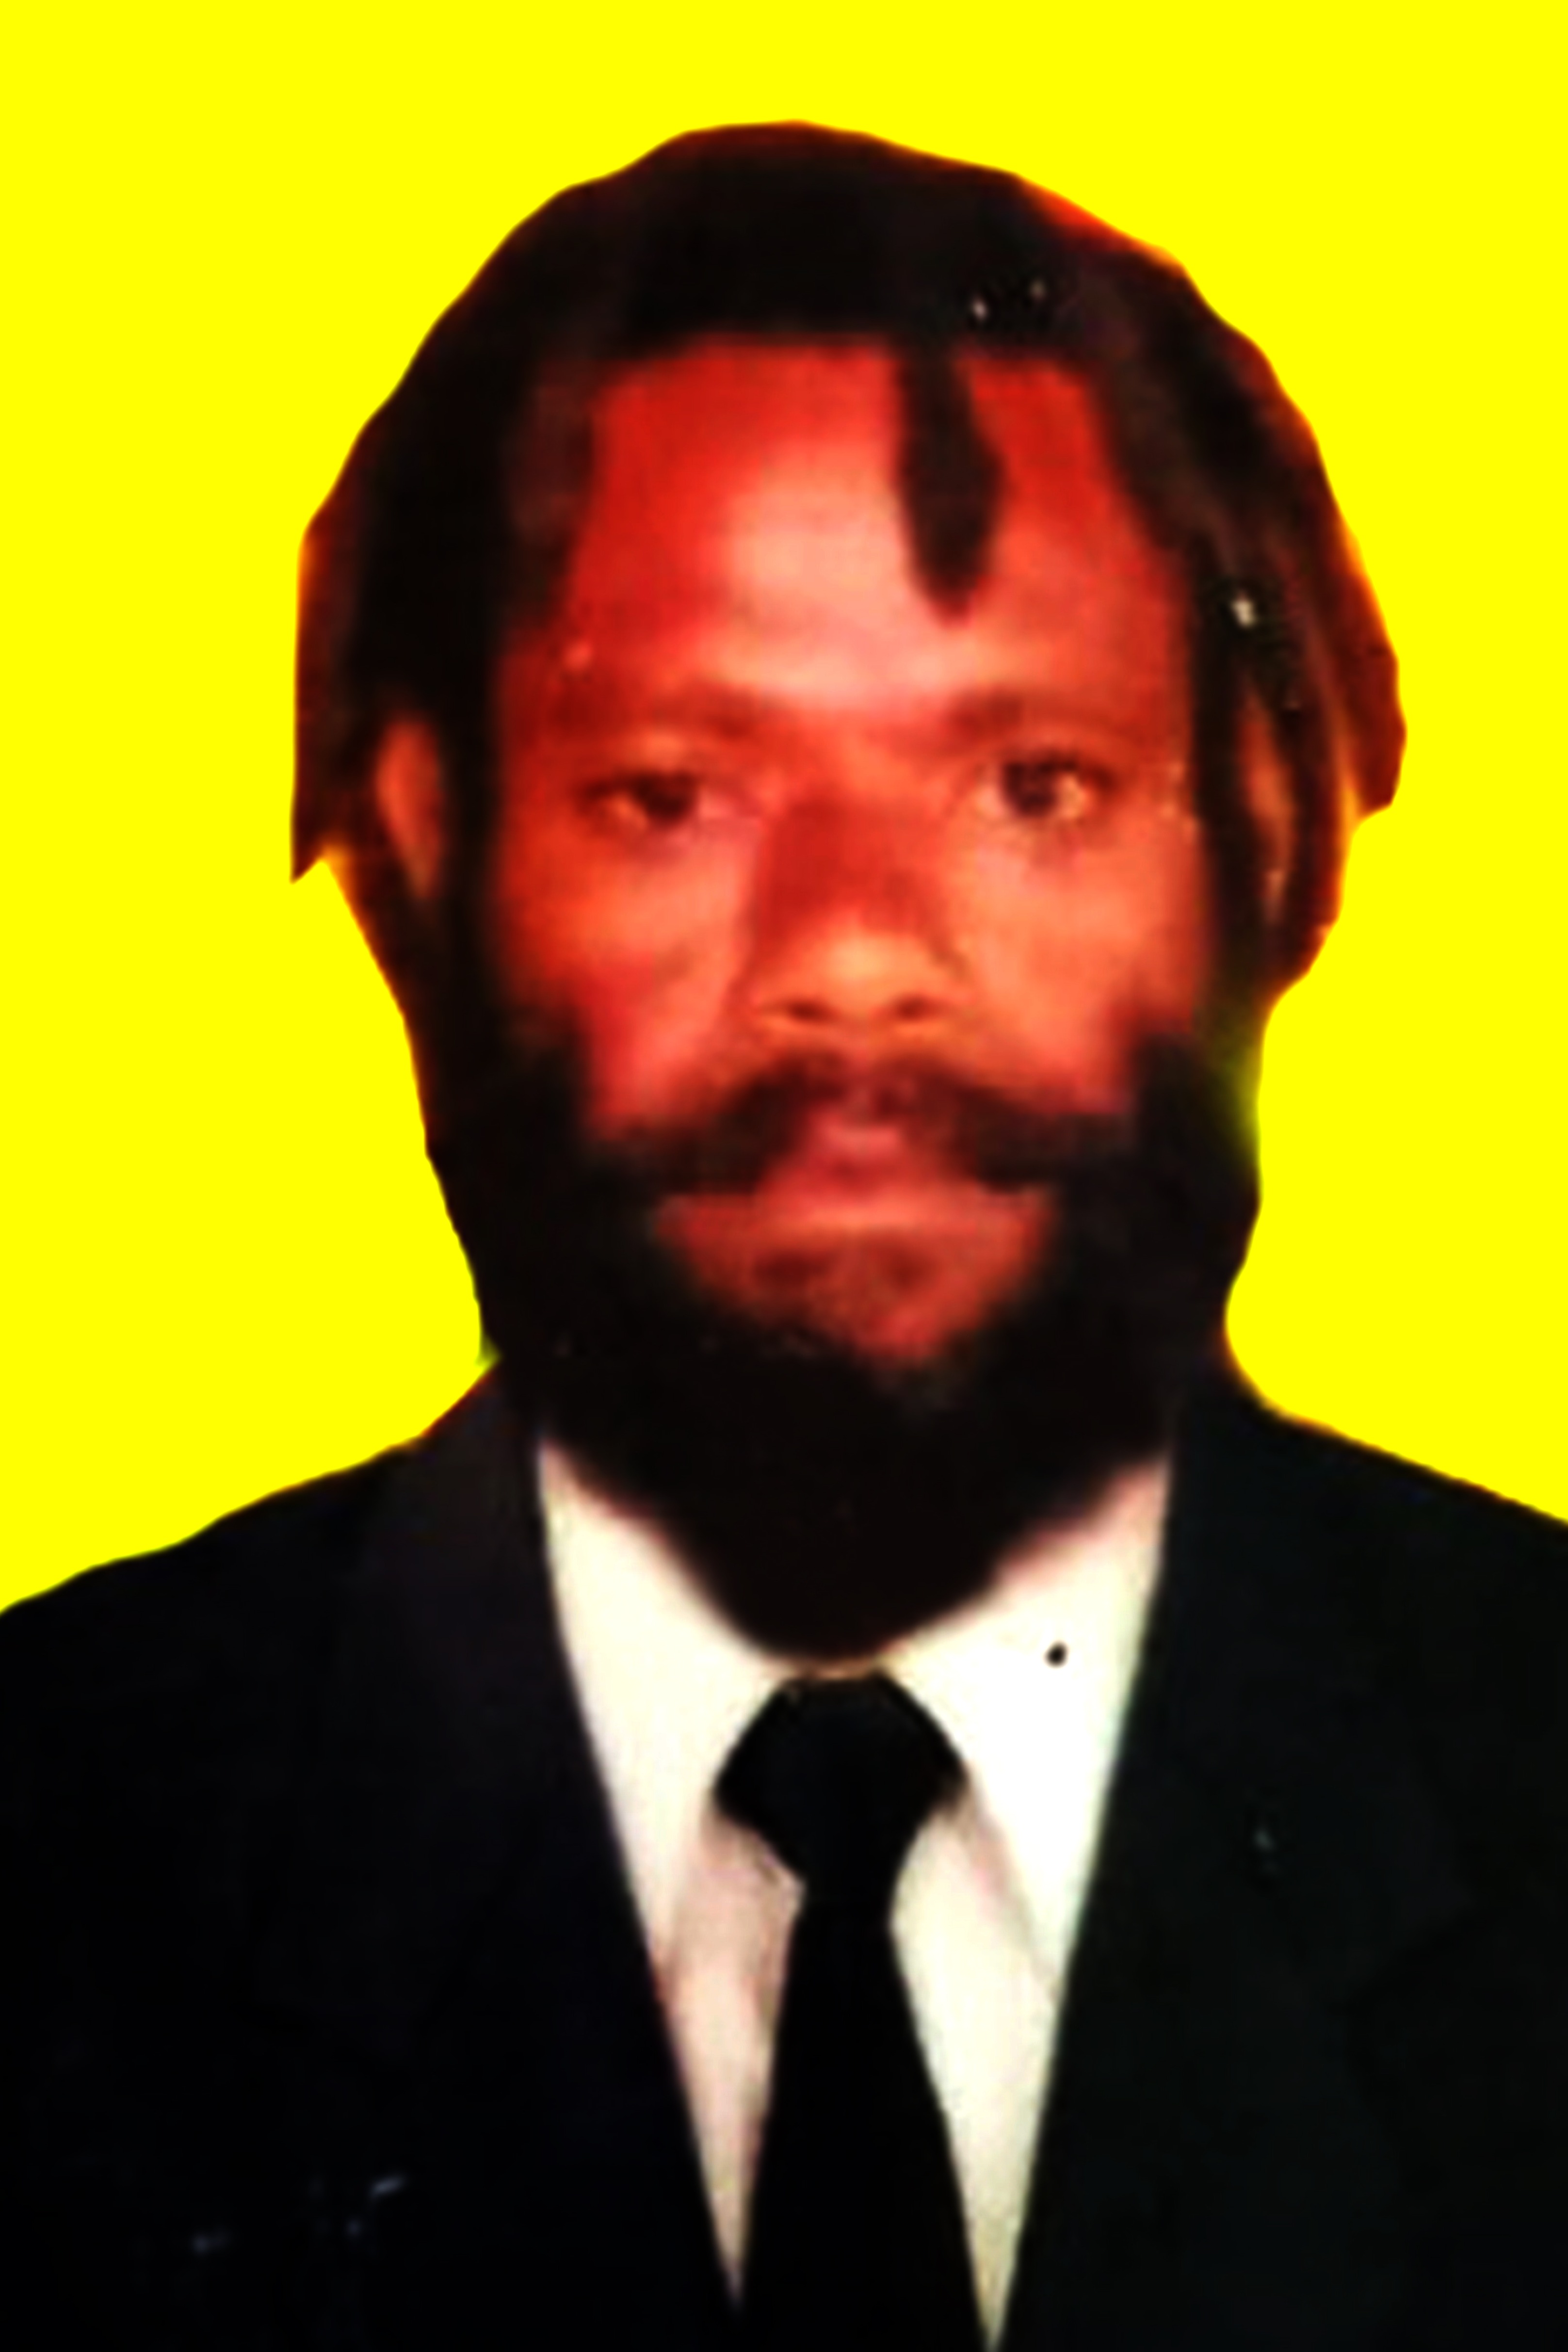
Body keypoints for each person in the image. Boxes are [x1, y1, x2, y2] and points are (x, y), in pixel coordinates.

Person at [6, 122, 1568, 2352]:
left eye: (1029, 784)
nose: (848, 953)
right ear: (421, 845)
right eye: (671, 792)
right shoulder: (54, 1844)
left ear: (1271, 831)